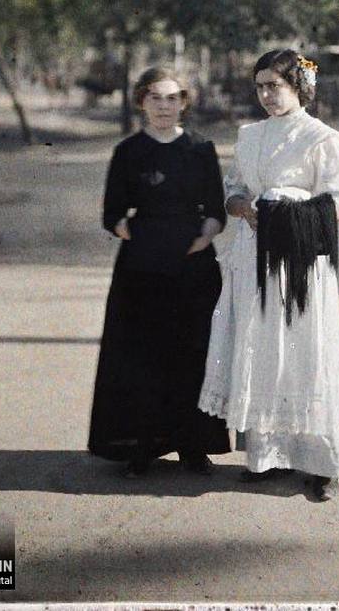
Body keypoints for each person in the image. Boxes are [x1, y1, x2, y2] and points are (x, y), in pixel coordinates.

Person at [198, 49, 339, 501]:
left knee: (306, 353)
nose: (268, 95)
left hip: (301, 259)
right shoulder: (249, 136)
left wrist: (293, 212)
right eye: (261, 86)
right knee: (263, 349)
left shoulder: (322, 138)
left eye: (277, 85)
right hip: (254, 254)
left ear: (299, 87)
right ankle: (266, 457)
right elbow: (232, 191)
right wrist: (246, 208)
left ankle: (319, 464)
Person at [88, 67, 230, 476]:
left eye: (172, 98)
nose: (164, 106)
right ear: (141, 102)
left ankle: (193, 445)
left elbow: (215, 210)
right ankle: (141, 445)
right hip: (142, 271)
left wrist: (203, 237)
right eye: (155, 98)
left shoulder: (201, 150)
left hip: (194, 268)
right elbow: (113, 214)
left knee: (192, 353)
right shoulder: (128, 152)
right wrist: (142, 238)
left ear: (184, 102)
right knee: (141, 356)